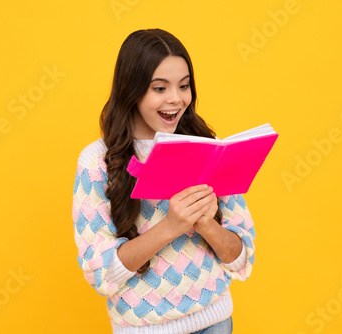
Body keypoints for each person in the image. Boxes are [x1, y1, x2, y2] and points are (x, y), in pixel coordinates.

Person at [72, 28, 255, 334]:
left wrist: (206, 224)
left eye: (184, 86)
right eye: (159, 88)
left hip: (216, 322)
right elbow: (100, 273)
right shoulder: (96, 162)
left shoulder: (209, 148)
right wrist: (171, 225)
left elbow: (240, 260)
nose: (176, 99)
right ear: (132, 90)